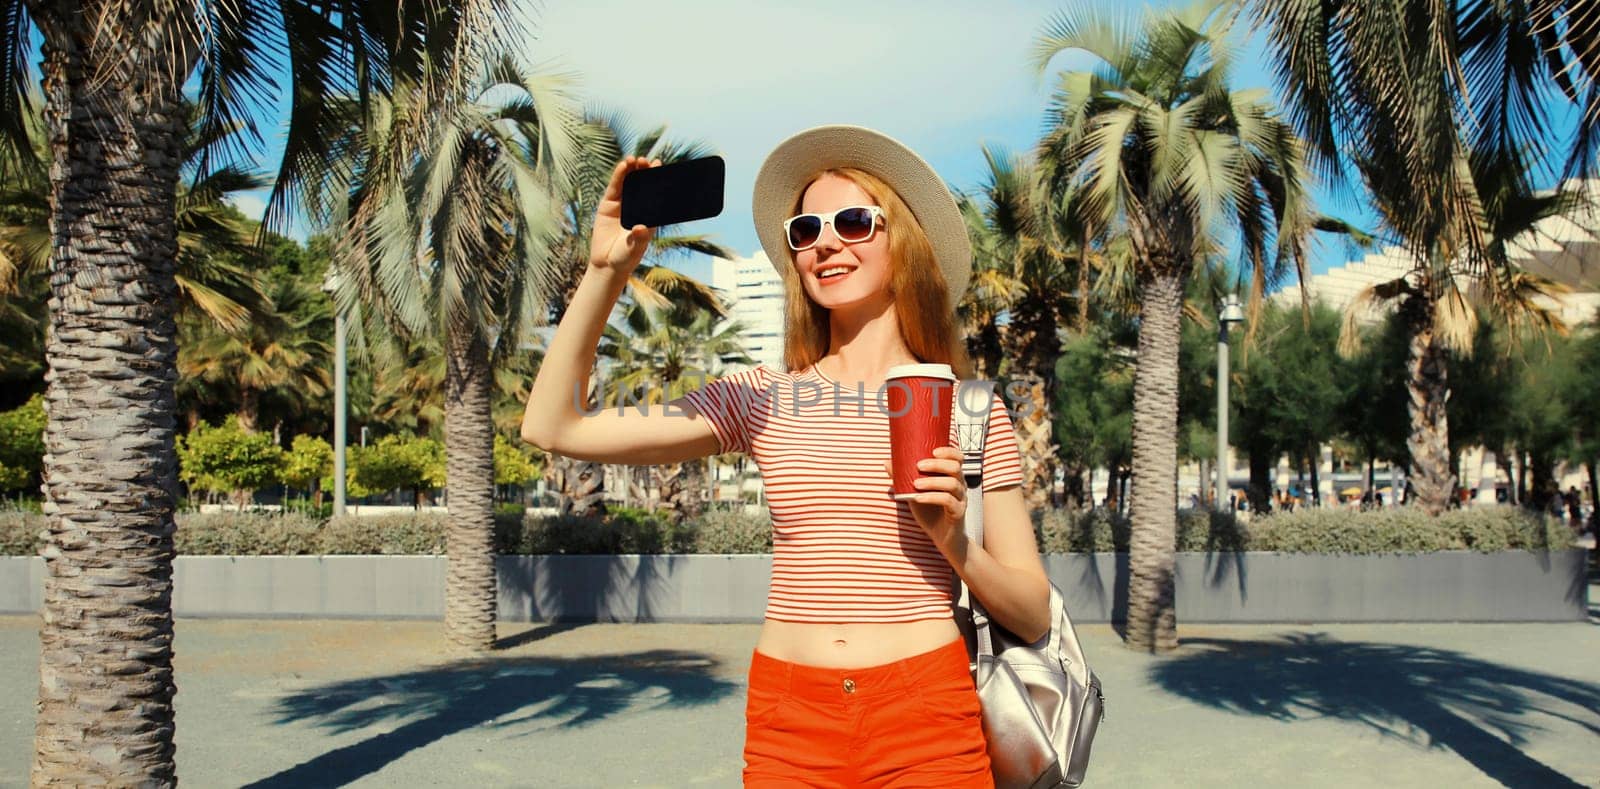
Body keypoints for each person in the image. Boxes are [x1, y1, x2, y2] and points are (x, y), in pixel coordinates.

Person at [521, 125, 1050, 788]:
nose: (825, 241)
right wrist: (606, 272)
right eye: (805, 229)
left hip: (927, 714)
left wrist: (951, 540)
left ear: (904, 242)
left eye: (855, 221)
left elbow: (1032, 610)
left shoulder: (969, 409)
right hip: (791, 718)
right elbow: (554, 422)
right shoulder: (759, 397)